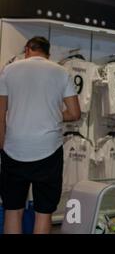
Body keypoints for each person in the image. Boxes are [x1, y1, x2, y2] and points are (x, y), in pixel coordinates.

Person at [0, 36, 81, 234]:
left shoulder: (8, 70)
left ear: (27, 49)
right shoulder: (61, 71)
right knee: (44, 212)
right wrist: (52, 114)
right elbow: (75, 113)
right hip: (48, 149)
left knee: (13, 209)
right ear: (48, 53)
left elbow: (1, 113)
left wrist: (2, 144)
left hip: (14, 147)